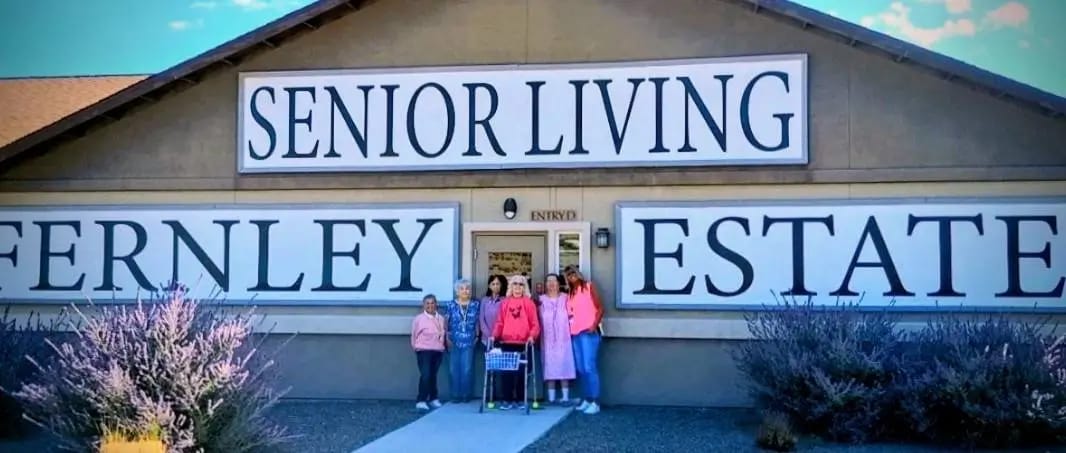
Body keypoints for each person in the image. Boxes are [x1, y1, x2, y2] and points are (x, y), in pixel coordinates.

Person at [489, 274, 541, 410]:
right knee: (507, 373)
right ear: (511, 286)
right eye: (515, 284)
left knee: (522, 373)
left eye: (521, 284)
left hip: (524, 343)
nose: (518, 287)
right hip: (507, 342)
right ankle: (507, 400)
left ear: (524, 287)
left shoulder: (529, 303)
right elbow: (499, 322)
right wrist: (494, 335)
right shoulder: (505, 303)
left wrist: (532, 336)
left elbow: (535, 324)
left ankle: (519, 399)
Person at [564, 265, 604, 415]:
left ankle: (595, 401)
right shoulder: (570, 293)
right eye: (568, 275)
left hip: (588, 333)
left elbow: (600, 308)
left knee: (589, 367)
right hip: (575, 334)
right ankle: (587, 399)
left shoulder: (588, 286)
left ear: (578, 274)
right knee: (581, 368)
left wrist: (594, 325)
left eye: (573, 273)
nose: (571, 277)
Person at [538, 273, 576, 405]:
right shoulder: (541, 300)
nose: (551, 284)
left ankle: (565, 397)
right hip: (547, 339)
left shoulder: (566, 298)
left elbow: (573, 315)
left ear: (559, 284)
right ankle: (552, 398)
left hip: (563, 339)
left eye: (554, 281)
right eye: (548, 281)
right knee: (550, 366)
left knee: (564, 364)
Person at [442, 278, 480, 403]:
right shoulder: (451, 305)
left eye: (467, 288)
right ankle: (455, 394)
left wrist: (477, 336)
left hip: (469, 340)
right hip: (454, 341)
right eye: (462, 288)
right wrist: (446, 337)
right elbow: (446, 322)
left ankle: (465, 394)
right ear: (457, 291)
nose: (465, 291)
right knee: (453, 369)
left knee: (467, 369)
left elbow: (477, 322)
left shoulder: (475, 305)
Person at [411, 294, 446, 411]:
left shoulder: (441, 318)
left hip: (437, 350)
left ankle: (433, 398)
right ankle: (421, 400)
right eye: (428, 303)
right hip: (424, 350)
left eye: (432, 303)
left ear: (436, 304)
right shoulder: (419, 319)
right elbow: (414, 335)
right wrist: (416, 347)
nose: (430, 305)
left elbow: (443, 333)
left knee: (433, 375)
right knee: (425, 375)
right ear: (423, 305)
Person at [478, 274, 507, 403]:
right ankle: (488, 396)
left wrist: (497, 335)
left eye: (498, 284)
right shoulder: (484, 300)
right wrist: (489, 335)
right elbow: (481, 319)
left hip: (501, 339)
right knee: (489, 369)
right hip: (487, 340)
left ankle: (500, 396)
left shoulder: (505, 300)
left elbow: (505, 320)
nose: (495, 286)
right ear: (489, 286)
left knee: (500, 370)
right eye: (493, 284)